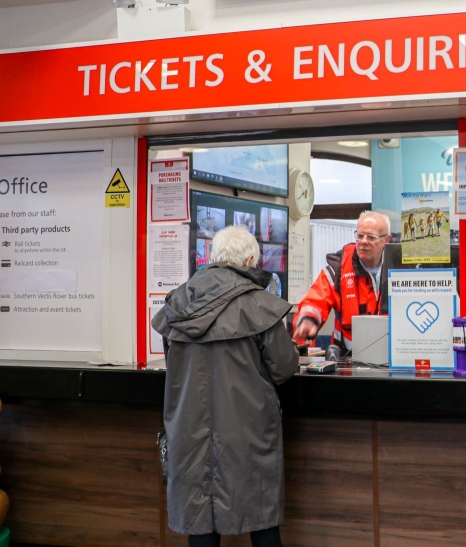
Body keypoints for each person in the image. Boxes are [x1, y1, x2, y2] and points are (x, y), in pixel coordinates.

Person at [152, 225, 299, 547]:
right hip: (247, 429)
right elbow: (284, 367)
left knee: (200, 519)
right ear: (249, 259)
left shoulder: (177, 304)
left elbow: (172, 362)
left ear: (213, 258)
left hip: (188, 427)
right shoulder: (261, 305)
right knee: (261, 516)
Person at [294, 211, 396, 351]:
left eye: (371, 237)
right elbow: (315, 301)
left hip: (392, 354)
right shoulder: (338, 269)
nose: (363, 241)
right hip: (347, 358)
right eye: (360, 236)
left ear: (387, 239)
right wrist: (308, 320)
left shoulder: (400, 267)